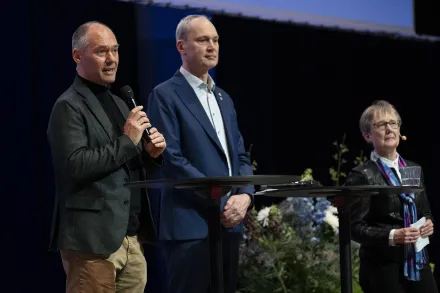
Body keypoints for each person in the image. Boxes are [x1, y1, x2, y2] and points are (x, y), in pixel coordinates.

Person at [46, 21, 166, 293]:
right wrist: (128, 141)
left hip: (130, 237)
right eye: (101, 51)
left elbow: (125, 167)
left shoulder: (120, 102)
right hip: (92, 241)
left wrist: (150, 155)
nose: (111, 59)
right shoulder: (68, 106)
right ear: (78, 56)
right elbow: (75, 166)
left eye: (115, 50)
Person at [146, 14, 254, 293]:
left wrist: (245, 196)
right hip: (190, 228)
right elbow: (171, 159)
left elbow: (240, 157)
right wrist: (221, 203)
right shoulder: (165, 95)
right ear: (181, 47)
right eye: (203, 40)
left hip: (229, 226)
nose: (212, 46)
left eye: (215, 40)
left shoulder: (224, 98)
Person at [345, 100, 437, 292]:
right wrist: (393, 236)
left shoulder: (413, 169)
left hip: (417, 261)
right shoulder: (363, 175)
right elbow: (353, 228)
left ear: (399, 130)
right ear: (367, 135)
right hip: (382, 268)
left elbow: (424, 211)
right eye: (381, 124)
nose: (389, 129)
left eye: (393, 123)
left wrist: (427, 223)